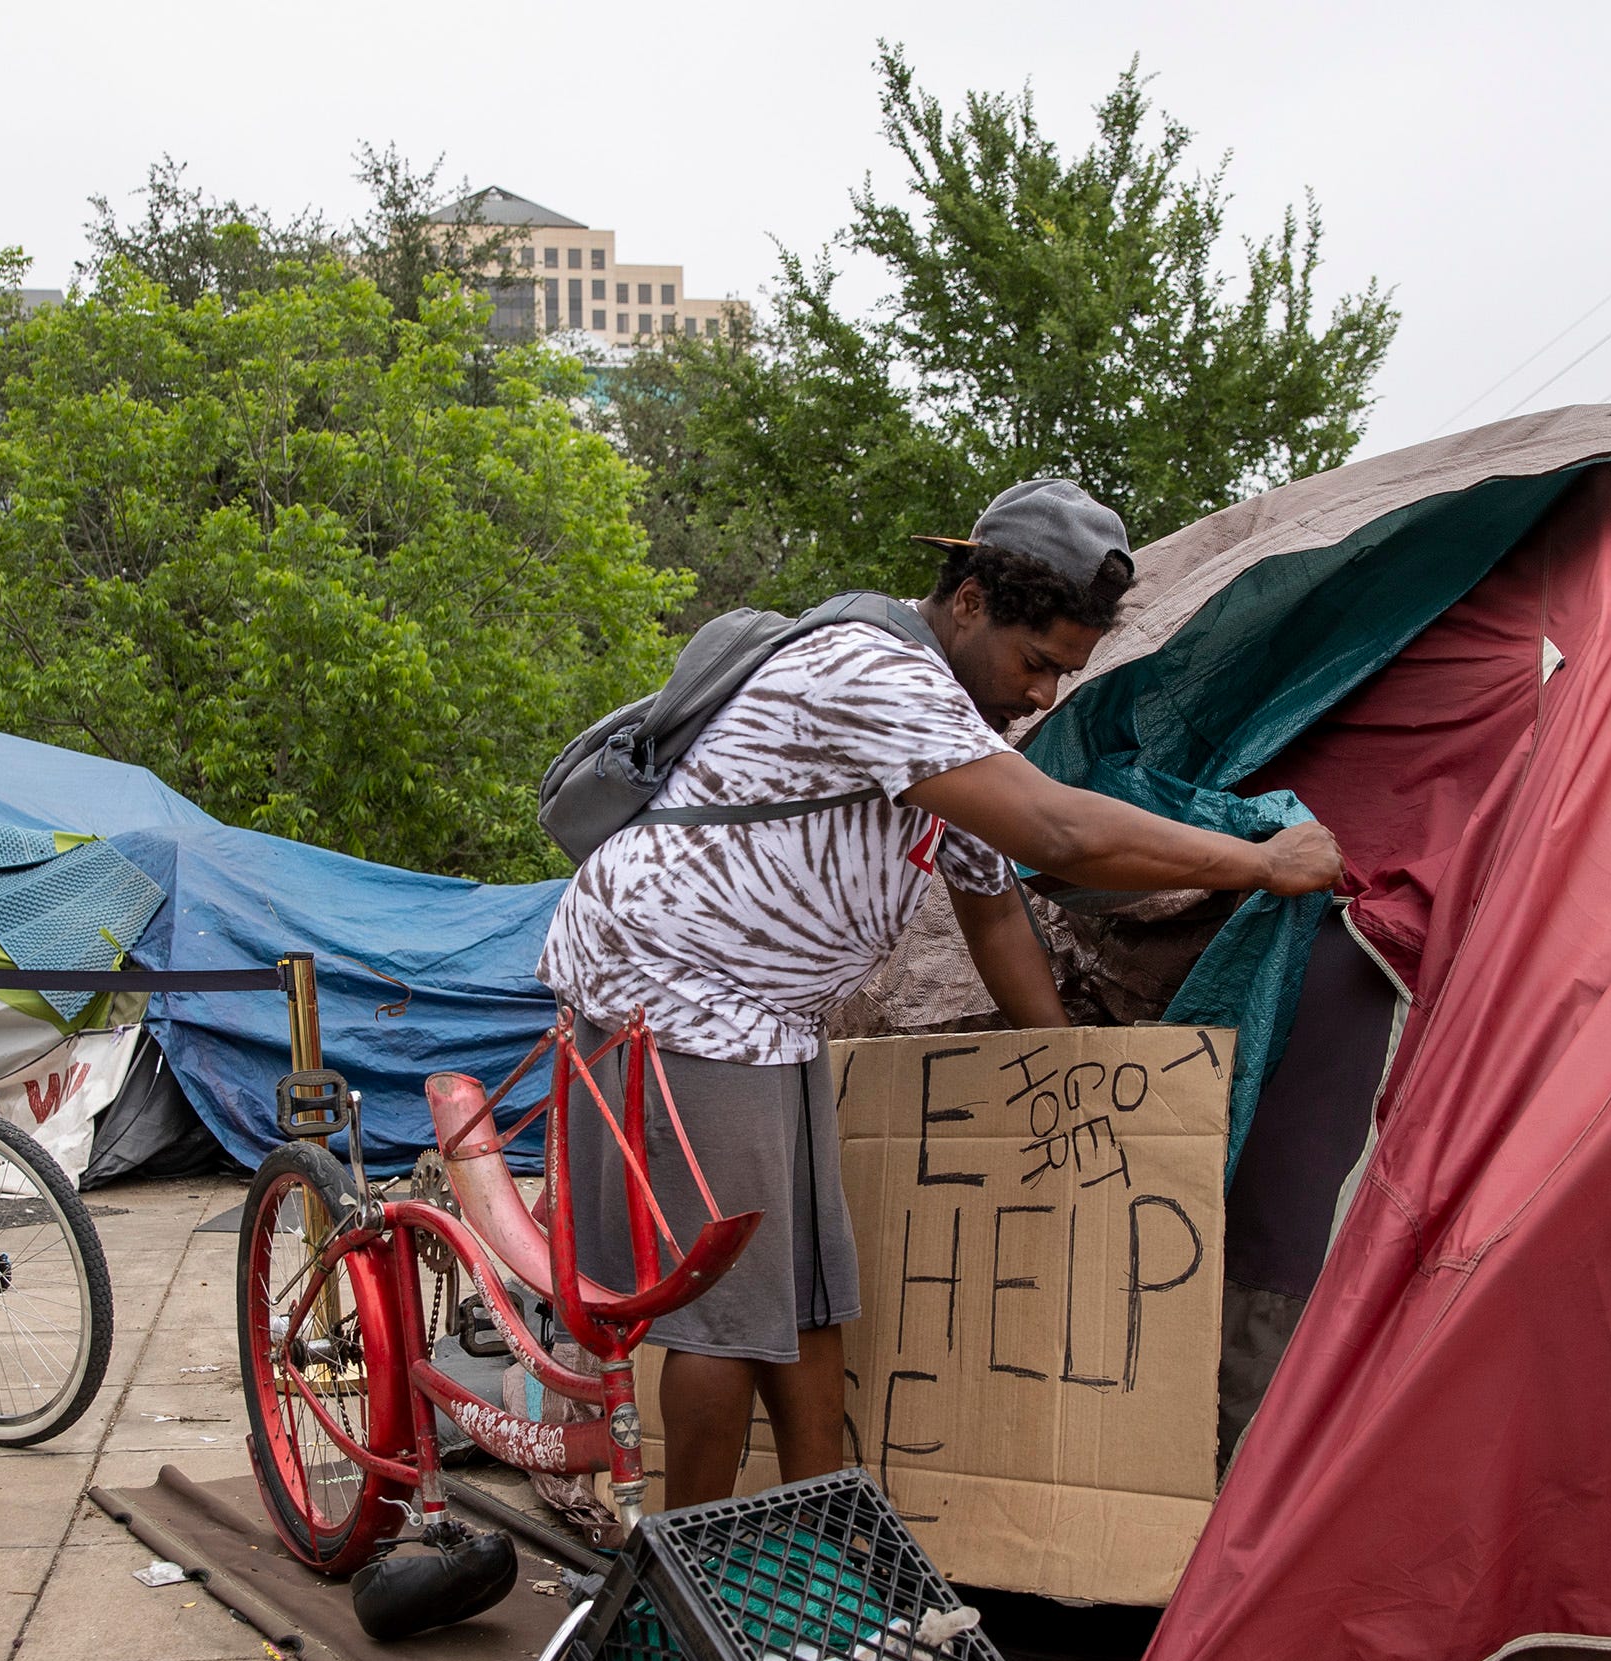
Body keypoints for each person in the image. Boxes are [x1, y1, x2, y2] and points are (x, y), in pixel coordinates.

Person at [540, 478, 1342, 1506]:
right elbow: (1054, 833)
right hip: (676, 987)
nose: (1044, 694)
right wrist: (1259, 860)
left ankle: (820, 1537)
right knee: (729, 1311)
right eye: (1037, 661)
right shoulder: (873, 673)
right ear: (969, 603)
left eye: (1066, 670)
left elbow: (995, 910)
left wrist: (1068, 1075)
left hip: (768, 1015)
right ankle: (691, 1582)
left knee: (814, 1294)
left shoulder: (954, 729)